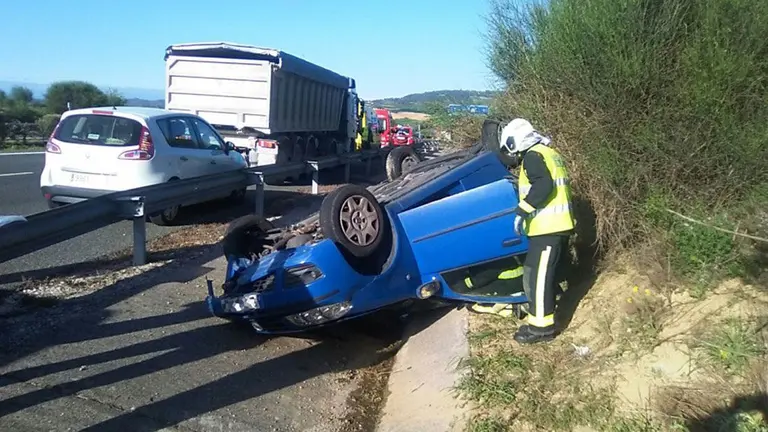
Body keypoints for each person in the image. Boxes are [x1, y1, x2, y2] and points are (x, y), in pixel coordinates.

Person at [499, 118, 575, 344]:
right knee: (537, 275)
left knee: (539, 279)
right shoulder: (548, 153)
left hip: (548, 228)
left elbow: (544, 185)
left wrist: (523, 210)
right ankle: (538, 322)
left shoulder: (533, 157)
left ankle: (541, 330)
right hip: (553, 227)